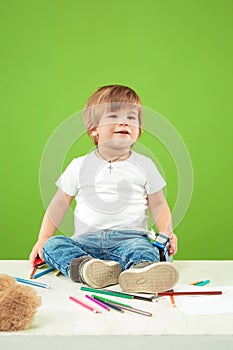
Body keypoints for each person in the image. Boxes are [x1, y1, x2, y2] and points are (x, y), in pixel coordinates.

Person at [29, 85, 179, 293]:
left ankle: (140, 271)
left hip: (131, 239)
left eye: (131, 117)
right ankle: (86, 268)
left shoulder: (145, 165)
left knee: (144, 250)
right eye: (114, 115)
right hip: (85, 244)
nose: (124, 121)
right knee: (53, 246)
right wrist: (43, 240)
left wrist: (166, 232)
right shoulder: (78, 165)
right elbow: (59, 205)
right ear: (94, 129)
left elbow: (158, 203)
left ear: (139, 130)